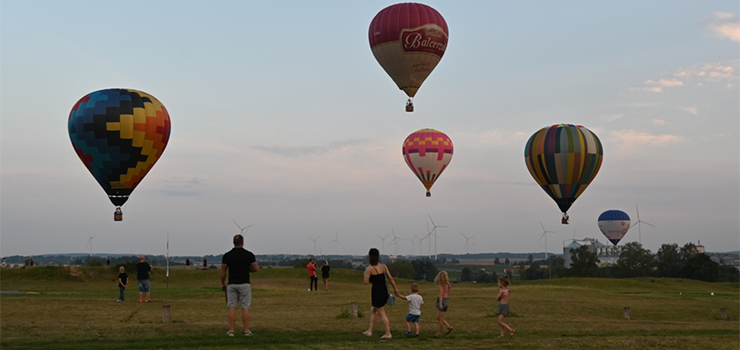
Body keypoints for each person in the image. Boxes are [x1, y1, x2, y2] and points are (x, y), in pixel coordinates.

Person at [220, 234, 259, 337]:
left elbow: (223, 271)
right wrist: (248, 269)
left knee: (232, 306)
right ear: (243, 242)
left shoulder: (227, 255)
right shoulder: (249, 255)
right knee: (245, 307)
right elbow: (255, 268)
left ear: (233, 242)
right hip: (245, 283)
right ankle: (246, 330)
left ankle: (231, 331)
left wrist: (222, 283)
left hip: (232, 284)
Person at [363, 248, 399, 339]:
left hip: (376, 292)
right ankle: (369, 331)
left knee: (381, 312)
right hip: (384, 290)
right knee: (373, 310)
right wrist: (395, 289)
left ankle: (388, 333)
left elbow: (365, 281)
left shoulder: (370, 269)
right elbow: (391, 278)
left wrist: (365, 274)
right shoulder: (384, 266)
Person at [434, 271, 453, 335]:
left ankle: (440, 332)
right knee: (438, 317)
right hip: (446, 301)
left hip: (443, 301)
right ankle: (448, 327)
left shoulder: (441, 286)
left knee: (441, 318)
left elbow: (441, 295)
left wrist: (440, 304)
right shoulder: (448, 285)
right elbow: (448, 293)